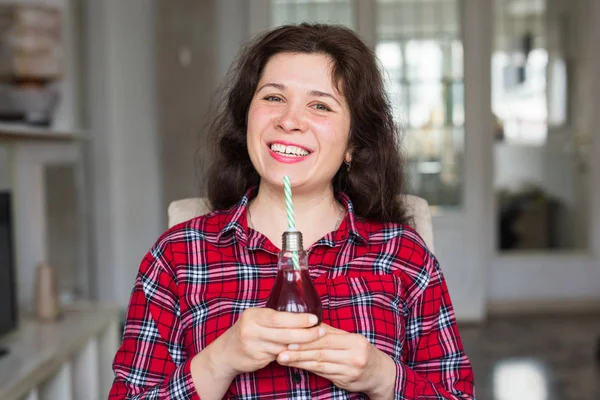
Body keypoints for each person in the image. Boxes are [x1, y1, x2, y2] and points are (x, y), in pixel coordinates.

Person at [109, 23, 475, 399]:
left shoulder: (402, 255)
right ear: (246, 120)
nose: (289, 120)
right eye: (272, 98)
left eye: (319, 105)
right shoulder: (177, 256)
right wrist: (221, 359)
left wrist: (382, 377)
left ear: (353, 144)